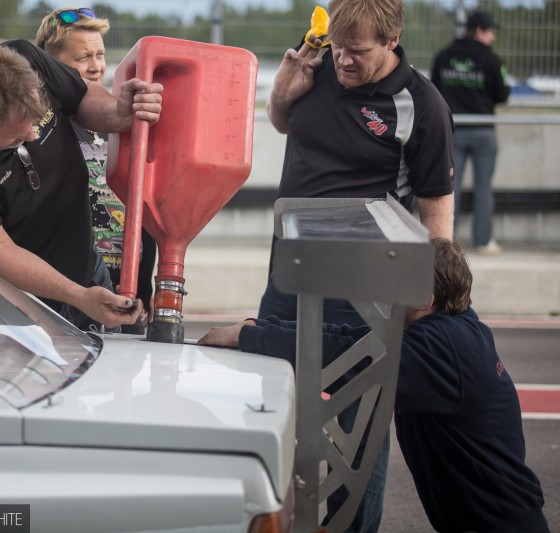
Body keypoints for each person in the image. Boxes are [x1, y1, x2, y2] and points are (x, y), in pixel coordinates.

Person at [199, 238, 549, 533]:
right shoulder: (453, 329)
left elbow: (342, 357)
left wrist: (249, 336)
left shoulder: (440, 350)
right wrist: (257, 327)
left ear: (425, 298)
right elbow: (350, 337)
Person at [262, 0, 456, 530]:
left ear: (392, 41)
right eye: (339, 48)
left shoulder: (422, 106)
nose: (343, 61)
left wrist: (431, 291)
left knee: (359, 428)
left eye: (359, 52)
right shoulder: (319, 60)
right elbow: (282, 121)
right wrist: (286, 87)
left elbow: (438, 211)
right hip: (290, 268)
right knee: (270, 400)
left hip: (365, 286)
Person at [0, 43, 162, 332]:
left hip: (88, 267)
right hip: (24, 311)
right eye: (17, 136)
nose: (32, 135)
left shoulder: (22, 58)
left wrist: (117, 112)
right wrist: (79, 297)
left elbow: (79, 98)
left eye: (36, 121)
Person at [35, 7, 157, 333]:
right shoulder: (39, 126)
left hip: (128, 285)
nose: (96, 66)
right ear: (51, 63)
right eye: (83, 57)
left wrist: (143, 289)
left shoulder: (116, 115)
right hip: (72, 292)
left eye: (100, 54)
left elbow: (144, 203)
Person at [432, 11, 511, 255]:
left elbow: (432, 90)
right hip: (483, 131)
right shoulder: (492, 59)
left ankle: (446, 243)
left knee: (447, 187)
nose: (493, 36)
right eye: (490, 31)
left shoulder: (444, 56)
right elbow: (504, 93)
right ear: (479, 31)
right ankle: (484, 241)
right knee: (483, 187)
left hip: (452, 130)